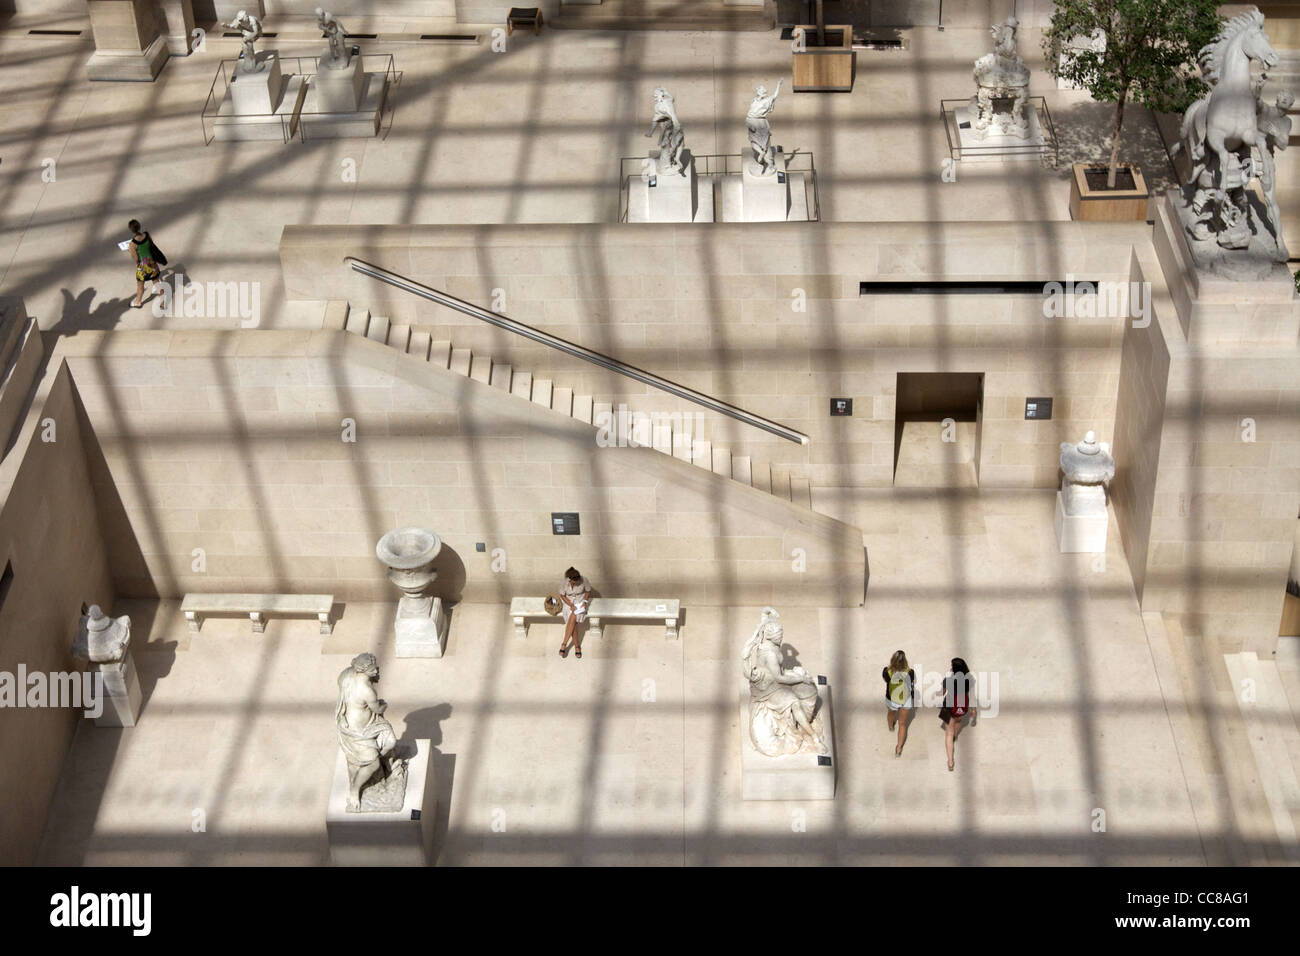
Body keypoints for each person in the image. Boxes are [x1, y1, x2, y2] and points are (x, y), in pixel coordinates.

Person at [938, 657, 977, 772]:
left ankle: (950, 761)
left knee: (948, 734)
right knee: (958, 722)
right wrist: (973, 710)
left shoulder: (948, 679)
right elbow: (972, 696)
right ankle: (955, 735)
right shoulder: (969, 679)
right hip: (961, 707)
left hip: (949, 707)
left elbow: (942, 693)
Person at [882, 650, 915, 757]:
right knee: (902, 724)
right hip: (905, 700)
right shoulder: (910, 672)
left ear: (893, 659)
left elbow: (886, 680)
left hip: (892, 699)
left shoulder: (887, 671)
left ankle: (891, 726)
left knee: (890, 713)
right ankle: (898, 749)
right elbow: (912, 682)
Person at [126, 219, 163, 309]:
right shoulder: (147, 235)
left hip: (142, 267)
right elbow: (151, 245)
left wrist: (129, 250)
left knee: (140, 286)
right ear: (139, 226)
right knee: (156, 282)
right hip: (152, 263)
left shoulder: (132, 244)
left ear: (131, 230)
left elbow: (136, 259)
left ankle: (138, 302)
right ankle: (163, 301)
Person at [558, 566, 590, 659]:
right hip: (568, 602)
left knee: (574, 616)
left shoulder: (584, 580)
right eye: (573, 581)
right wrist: (570, 605)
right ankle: (577, 646)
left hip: (580, 602)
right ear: (569, 579)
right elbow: (562, 595)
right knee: (574, 623)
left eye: (577, 580)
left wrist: (585, 602)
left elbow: (588, 591)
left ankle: (564, 643)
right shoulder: (564, 582)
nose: (575, 582)